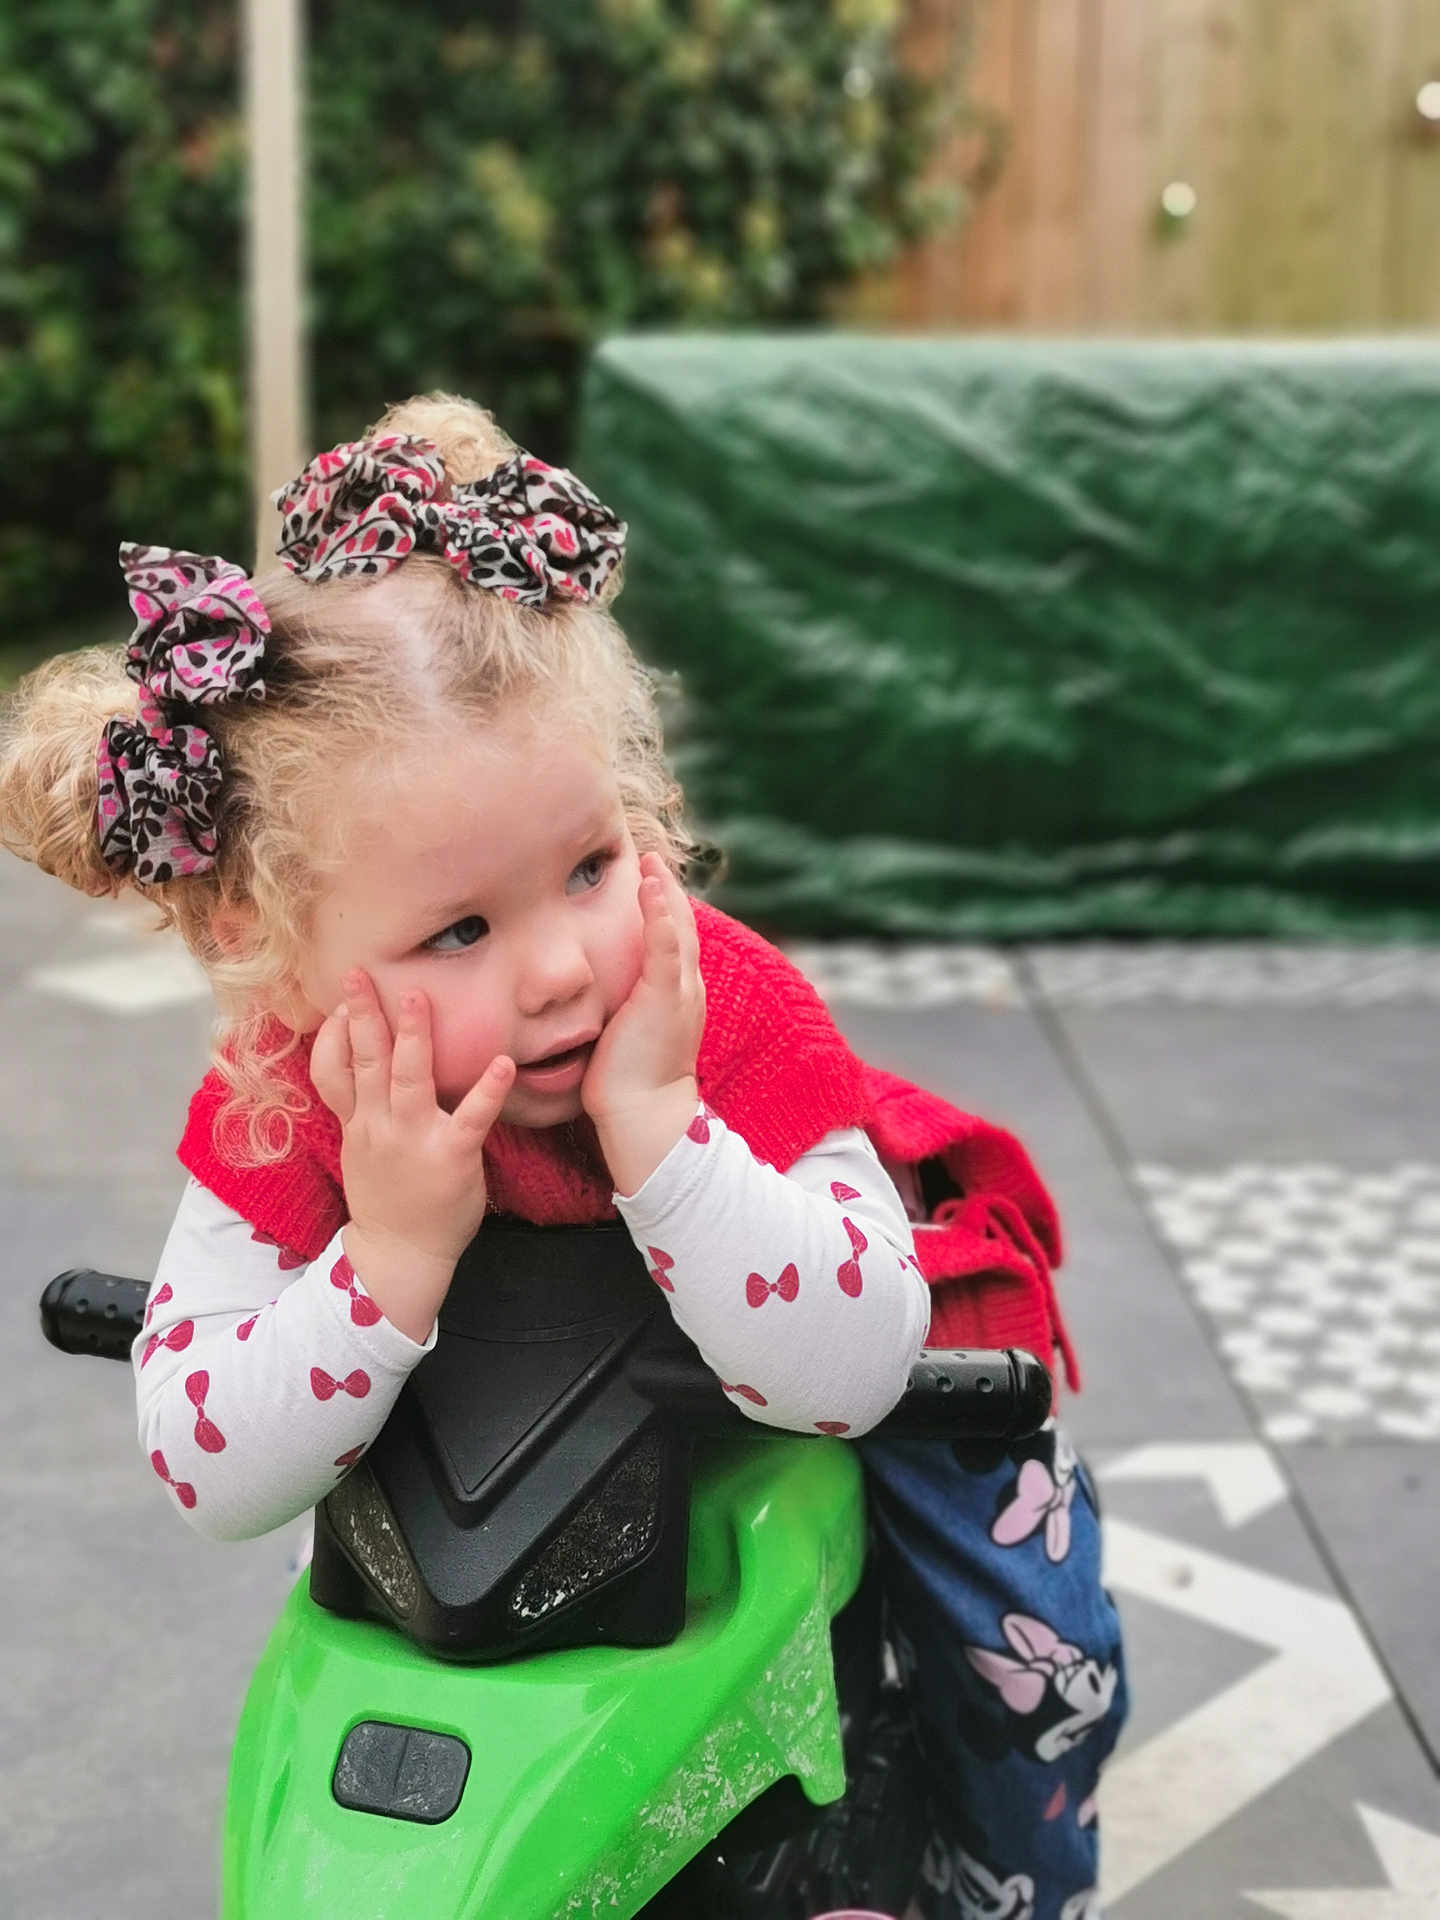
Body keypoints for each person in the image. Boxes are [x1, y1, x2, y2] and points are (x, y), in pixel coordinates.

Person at [0, 392, 1126, 1920]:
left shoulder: (709, 1002)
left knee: (1021, 1656)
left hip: (856, 1389)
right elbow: (210, 1468)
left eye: (590, 866)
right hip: (505, 1486)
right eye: (459, 929)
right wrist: (385, 1260)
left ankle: (1009, 1884)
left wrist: (663, 1138)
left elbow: (858, 1359)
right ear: (275, 936)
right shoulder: (287, 1092)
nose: (557, 969)